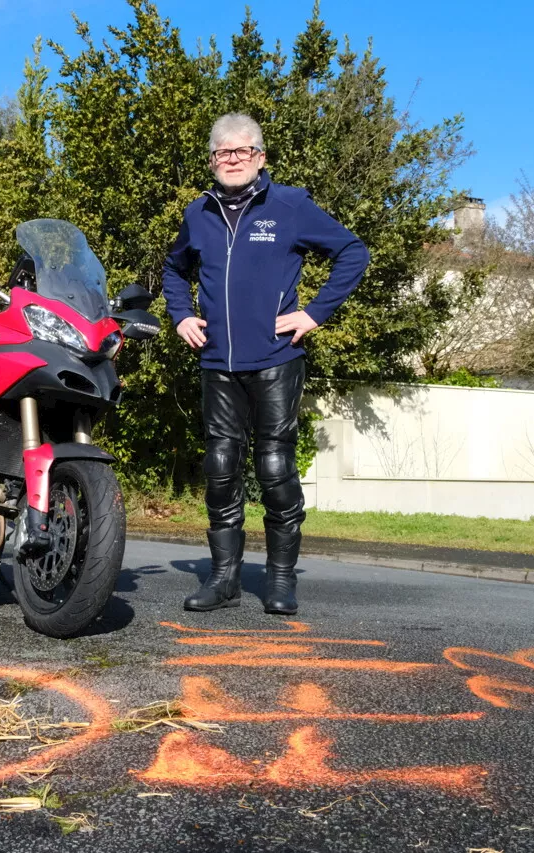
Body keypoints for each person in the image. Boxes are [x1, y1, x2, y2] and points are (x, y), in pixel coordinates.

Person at [162, 113, 369, 616]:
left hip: (277, 358)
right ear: (212, 161)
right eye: (221, 153)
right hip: (217, 361)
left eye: (241, 151)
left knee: (274, 467)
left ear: (260, 157)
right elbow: (173, 268)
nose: (231, 160)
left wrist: (315, 313)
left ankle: (279, 580)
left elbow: (352, 252)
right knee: (219, 468)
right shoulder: (199, 214)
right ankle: (224, 579)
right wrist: (181, 315)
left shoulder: (289, 205)